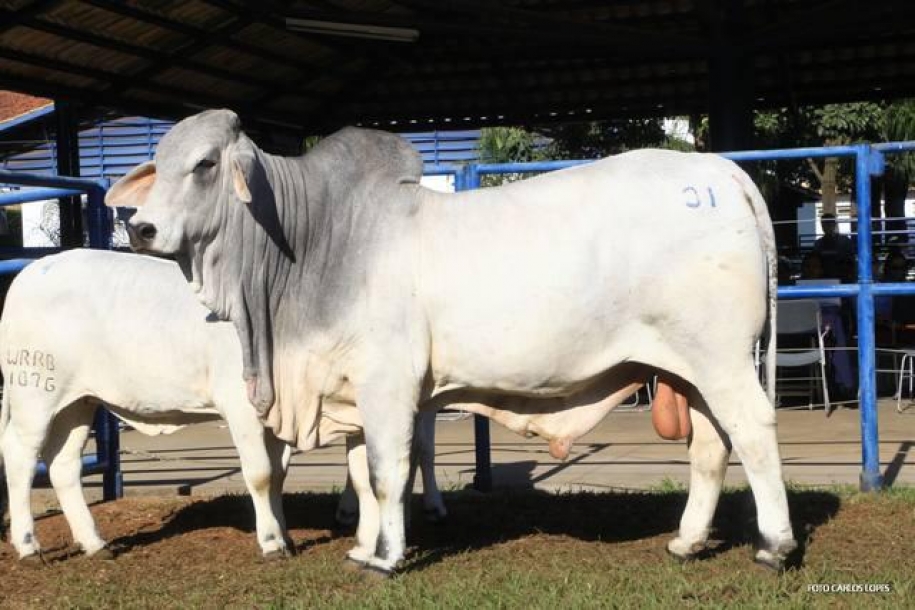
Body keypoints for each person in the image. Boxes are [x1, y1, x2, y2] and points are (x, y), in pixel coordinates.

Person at [812, 213, 855, 279]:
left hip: (843, 277)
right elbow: (815, 262)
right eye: (823, 223)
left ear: (834, 224)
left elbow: (851, 261)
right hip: (823, 278)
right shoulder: (818, 243)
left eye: (829, 223)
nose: (826, 226)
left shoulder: (845, 241)